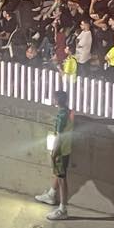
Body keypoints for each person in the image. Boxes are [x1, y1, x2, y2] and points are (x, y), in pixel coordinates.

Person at [33, 90, 74, 220]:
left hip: (61, 150)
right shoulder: (69, 112)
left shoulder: (61, 116)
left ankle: (63, 209)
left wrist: (54, 152)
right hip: (67, 148)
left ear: (56, 100)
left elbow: (59, 136)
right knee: (59, 174)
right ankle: (51, 195)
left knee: (62, 178)